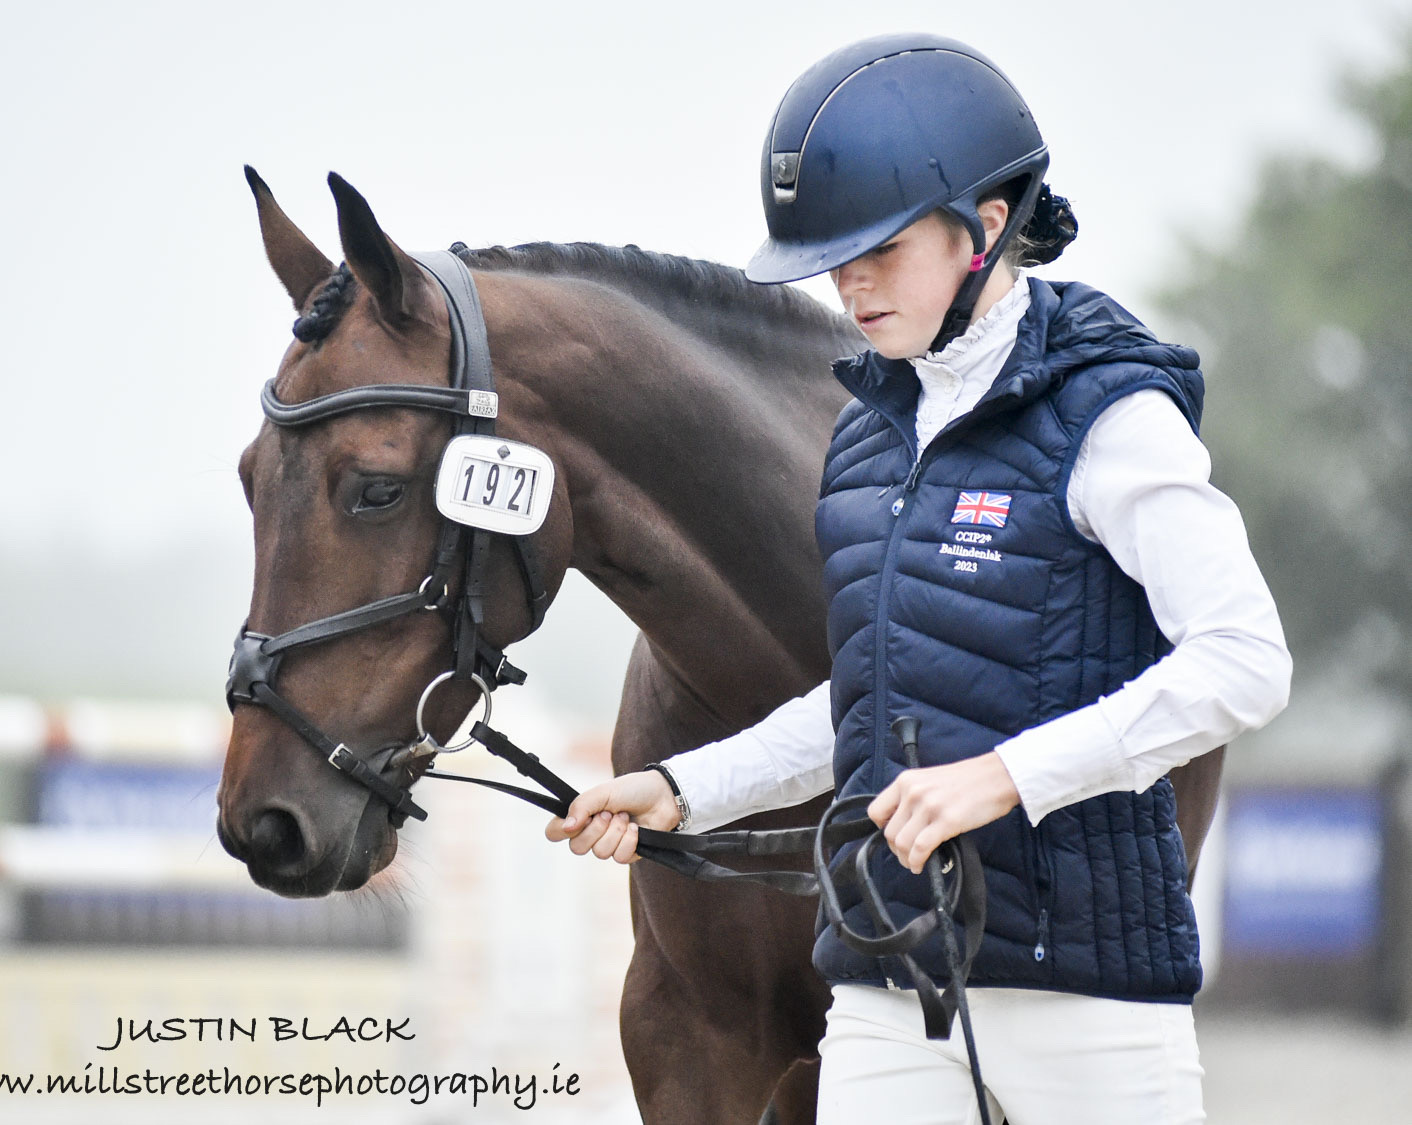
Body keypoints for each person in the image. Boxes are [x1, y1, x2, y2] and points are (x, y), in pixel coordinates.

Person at [545, 32, 1291, 1125]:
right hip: (889, 985)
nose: (850, 285)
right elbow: (868, 698)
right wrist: (684, 790)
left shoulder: (1113, 417)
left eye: (879, 249)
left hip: (1090, 1003)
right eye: (832, 260)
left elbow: (1245, 664)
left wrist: (1005, 776)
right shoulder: (866, 441)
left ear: (985, 228)